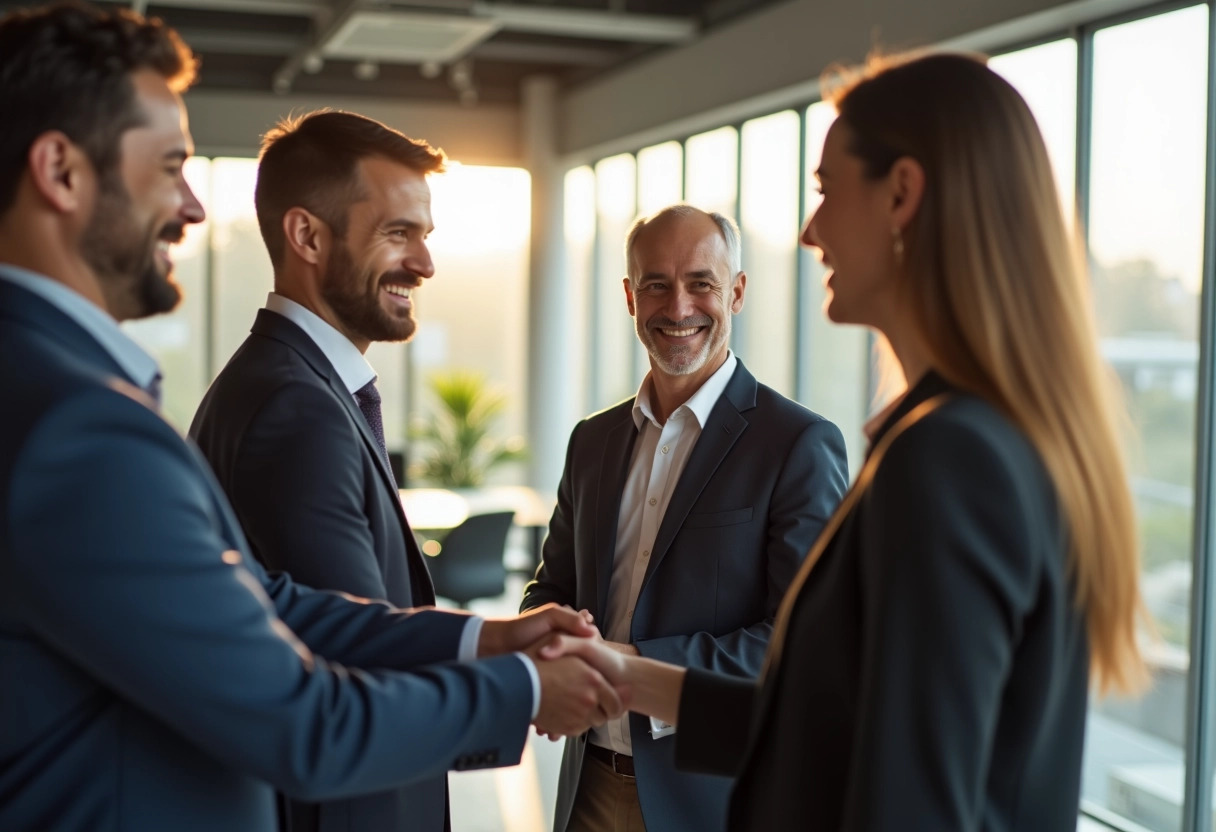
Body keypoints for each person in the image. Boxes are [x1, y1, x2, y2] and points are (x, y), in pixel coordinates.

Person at [0, 5, 623, 831]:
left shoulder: (44, 389)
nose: (192, 207)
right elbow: (303, 719)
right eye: (170, 167)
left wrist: (484, 643)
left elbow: (263, 602)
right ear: (62, 172)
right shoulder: (79, 431)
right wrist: (524, 688)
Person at [539, 52, 1148, 831]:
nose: (810, 230)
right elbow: (841, 728)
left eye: (826, 190)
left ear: (901, 195)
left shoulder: (949, 459)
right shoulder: (981, 437)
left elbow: (907, 798)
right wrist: (627, 677)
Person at [521, 204, 849, 832]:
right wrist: (545, 641)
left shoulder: (797, 444)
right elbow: (551, 589)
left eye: (701, 282)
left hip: (711, 801)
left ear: (738, 291)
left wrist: (630, 667)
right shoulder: (591, 441)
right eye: (655, 284)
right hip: (585, 786)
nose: (678, 308)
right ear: (628, 296)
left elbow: (801, 637)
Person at [190, 110, 454, 832]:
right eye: (398, 233)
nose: (425, 264)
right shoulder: (295, 409)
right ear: (306, 236)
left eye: (425, 236)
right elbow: (360, 665)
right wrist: (522, 680)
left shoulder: (283, 382)